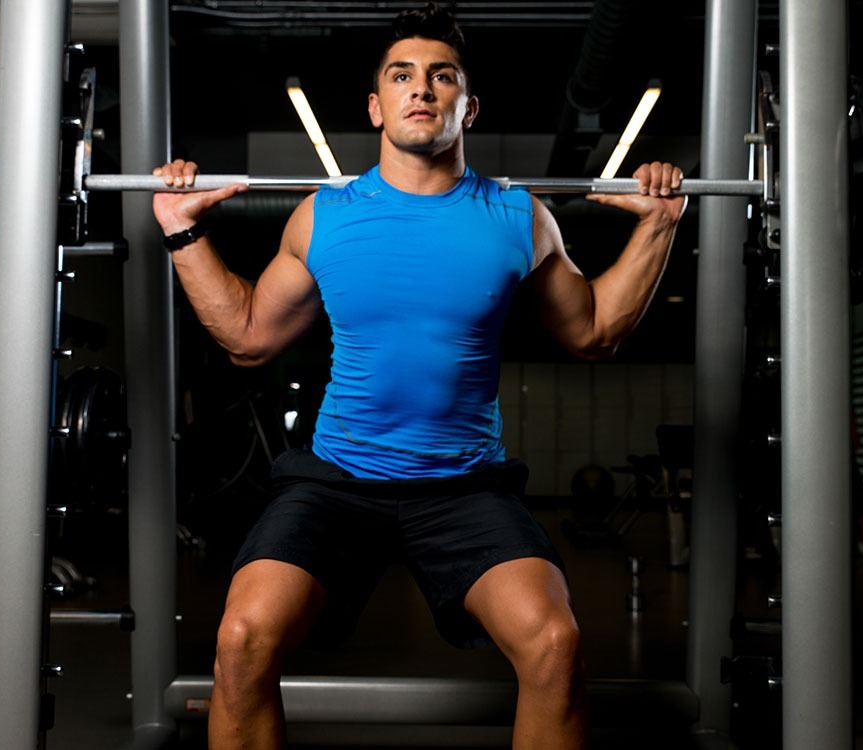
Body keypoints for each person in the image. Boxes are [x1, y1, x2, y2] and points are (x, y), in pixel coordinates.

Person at [152, 4, 686, 748]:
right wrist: (182, 229)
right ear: (376, 106)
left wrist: (657, 224)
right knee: (242, 641)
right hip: (336, 481)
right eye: (402, 76)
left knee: (553, 645)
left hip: (463, 486)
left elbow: (593, 332)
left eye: (442, 77)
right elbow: (247, 338)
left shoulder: (517, 215)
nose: (422, 89)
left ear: (468, 105)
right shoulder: (324, 214)